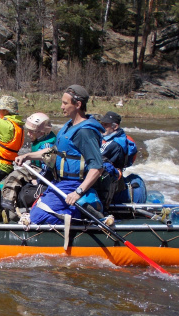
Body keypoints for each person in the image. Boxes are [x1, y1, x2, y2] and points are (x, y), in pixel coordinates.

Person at [14, 85, 108, 225]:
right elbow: (53, 152)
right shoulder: (69, 126)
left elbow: (97, 167)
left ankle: (82, 214)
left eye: (65, 103)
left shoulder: (85, 132)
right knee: (35, 209)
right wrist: (27, 156)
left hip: (73, 184)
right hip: (60, 183)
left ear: (78, 104)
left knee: (36, 218)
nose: (61, 106)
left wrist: (78, 192)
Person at [0, 112, 56, 219]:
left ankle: (8, 202)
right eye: (28, 131)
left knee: (15, 176)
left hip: (41, 171)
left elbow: (48, 167)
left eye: (32, 132)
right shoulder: (40, 138)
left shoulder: (47, 144)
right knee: (12, 175)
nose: (28, 134)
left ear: (42, 132)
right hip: (36, 167)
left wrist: (38, 181)